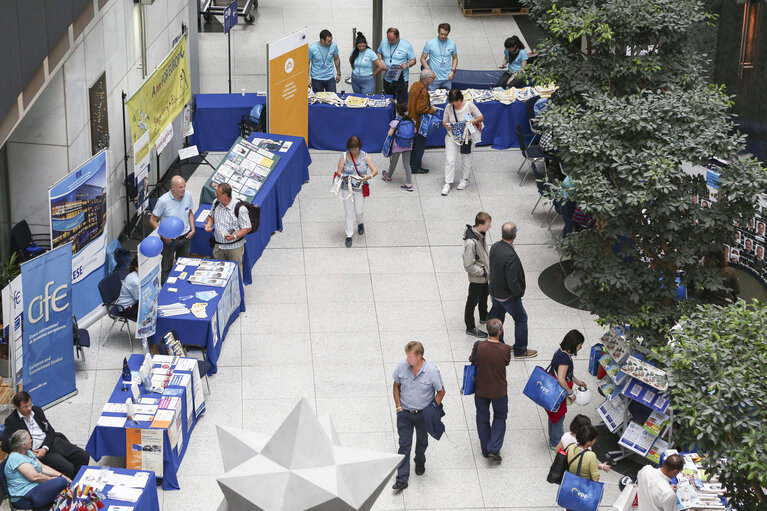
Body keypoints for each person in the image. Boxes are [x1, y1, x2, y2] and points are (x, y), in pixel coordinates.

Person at [392, 341, 445, 491]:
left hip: (423, 415)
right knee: (404, 445)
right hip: (405, 414)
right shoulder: (402, 367)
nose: (407, 359)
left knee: (422, 442)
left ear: (419, 356)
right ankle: (402, 479)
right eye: (407, 356)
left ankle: (420, 460)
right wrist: (398, 406)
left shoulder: (432, 371)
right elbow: (396, 386)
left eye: (410, 357)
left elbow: (441, 391)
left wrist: (432, 408)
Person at [2, 391, 90, 480]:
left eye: (30, 404)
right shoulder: (11, 421)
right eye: (25, 407)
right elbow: (5, 446)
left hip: (51, 442)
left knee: (83, 456)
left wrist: (45, 447)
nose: (29, 408)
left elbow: (50, 430)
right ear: (17, 407)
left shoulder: (37, 410)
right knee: (68, 468)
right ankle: (69, 487)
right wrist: (27, 452)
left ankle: (78, 481)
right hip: (38, 452)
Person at [488, 222, 537, 359]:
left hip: (495, 291)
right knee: (521, 318)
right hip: (507, 296)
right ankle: (520, 350)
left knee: (497, 317)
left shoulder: (495, 247)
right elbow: (513, 281)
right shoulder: (511, 256)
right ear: (515, 235)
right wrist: (519, 292)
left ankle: (498, 345)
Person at [469, 319, 511, 461]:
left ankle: (485, 450)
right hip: (499, 391)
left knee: (482, 417)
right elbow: (506, 362)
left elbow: (472, 360)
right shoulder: (505, 349)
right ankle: (494, 447)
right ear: (500, 331)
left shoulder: (478, 346)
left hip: (481, 389)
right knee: (500, 416)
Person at [3, 430, 70, 511]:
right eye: (29, 438)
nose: (31, 439)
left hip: (35, 488)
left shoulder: (28, 452)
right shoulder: (15, 457)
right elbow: (35, 477)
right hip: (25, 496)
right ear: (24, 445)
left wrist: (61, 475)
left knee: (62, 481)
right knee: (61, 482)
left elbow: (43, 468)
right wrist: (53, 479)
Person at [546, 330, 588, 449]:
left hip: (554, 391)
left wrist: (578, 382)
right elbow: (561, 378)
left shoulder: (561, 352)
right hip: (559, 392)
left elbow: (568, 374)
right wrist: (570, 393)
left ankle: (554, 439)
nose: (580, 347)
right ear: (574, 344)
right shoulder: (564, 358)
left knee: (554, 416)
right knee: (558, 417)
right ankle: (556, 442)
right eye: (580, 345)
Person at [334, 136, 379, 247]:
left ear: (359, 147)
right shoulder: (344, 156)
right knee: (348, 213)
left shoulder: (365, 156)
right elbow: (338, 171)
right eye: (351, 149)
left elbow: (375, 170)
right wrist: (345, 176)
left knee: (359, 210)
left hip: (359, 188)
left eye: (355, 148)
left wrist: (369, 176)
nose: (353, 151)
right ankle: (349, 235)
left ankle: (360, 223)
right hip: (347, 188)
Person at [150, 175, 195, 283]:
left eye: (184, 186)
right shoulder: (163, 201)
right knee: (166, 268)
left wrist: (192, 229)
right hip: (169, 241)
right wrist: (164, 235)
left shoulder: (188, 195)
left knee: (183, 265)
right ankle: (165, 292)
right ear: (173, 188)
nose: (183, 189)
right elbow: (152, 220)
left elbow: (189, 212)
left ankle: (180, 286)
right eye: (180, 187)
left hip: (185, 237)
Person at [204, 183, 251, 281]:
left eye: (218, 193)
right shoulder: (216, 203)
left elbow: (247, 227)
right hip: (219, 246)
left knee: (236, 274)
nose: (215, 195)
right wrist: (209, 225)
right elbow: (210, 216)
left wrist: (234, 236)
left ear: (225, 195)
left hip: (234, 248)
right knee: (217, 273)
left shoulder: (240, 208)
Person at [441, 89, 484, 196]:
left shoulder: (470, 106)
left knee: (466, 159)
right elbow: (444, 121)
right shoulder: (448, 107)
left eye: (457, 102)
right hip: (452, 136)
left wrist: (473, 121)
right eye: (453, 102)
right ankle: (448, 182)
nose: (455, 105)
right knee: (450, 160)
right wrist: (447, 125)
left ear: (461, 99)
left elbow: (481, 117)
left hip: (467, 137)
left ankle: (465, 179)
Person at [463, 212, 492, 337]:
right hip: (477, 278)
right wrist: (483, 272)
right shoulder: (471, 243)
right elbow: (468, 265)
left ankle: (483, 316)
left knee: (484, 297)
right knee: (472, 302)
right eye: (488, 225)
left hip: (484, 278)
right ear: (480, 225)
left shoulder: (481, 235)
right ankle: (470, 327)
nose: (489, 227)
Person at [407, 70, 437, 175]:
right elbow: (421, 109)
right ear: (427, 79)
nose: (434, 80)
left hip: (411, 120)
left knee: (414, 145)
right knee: (420, 146)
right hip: (420, 123)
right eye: (433, 78)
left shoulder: (415, 85)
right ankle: (416, 167)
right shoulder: (423, 91)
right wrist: (432, 110)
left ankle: (411, 164)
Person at [377, 27, 416, 104]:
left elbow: (413, 60)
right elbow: (378, 53)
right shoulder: (384, 42)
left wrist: (407, 64)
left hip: (402, 79)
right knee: (389, 101)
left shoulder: (406, 45)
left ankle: (400, 115)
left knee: (401, 103)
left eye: (392, 40)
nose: (390, 41)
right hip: (387, 78)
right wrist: (381, 61)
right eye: (388, 39)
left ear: (398, 37)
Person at [382, 103, 415, 191]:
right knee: (407, 164)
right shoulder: (412, 120)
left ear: (397, 111)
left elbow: (390, 133)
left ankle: (388, 177)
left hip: (398, 146)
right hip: (408, 145)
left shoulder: (395, 122)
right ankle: (409, 184)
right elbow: (414, 131)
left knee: (394, 162)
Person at [420, 23, 458, 91]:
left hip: (447, 78)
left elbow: (455, 58)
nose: (443, 36)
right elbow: (422, 59)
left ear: (448, 33)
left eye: (445, 34)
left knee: (448, 98)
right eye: (441, 34)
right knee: (432, 99)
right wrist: (430, 71)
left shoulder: (452, 44)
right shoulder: (430, 43)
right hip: (434, 79)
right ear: (438, 32)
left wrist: (453, 71)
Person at [116, 256, 140, 321]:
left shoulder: (134, 274)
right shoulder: (135, 281)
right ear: (136, 268)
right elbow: (140, 299)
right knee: (149, 313)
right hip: (126, 308)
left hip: (131, 303)